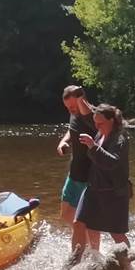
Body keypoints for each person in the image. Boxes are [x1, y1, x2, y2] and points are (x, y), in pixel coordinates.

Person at [75, 104, 131, 247]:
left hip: (114, 192)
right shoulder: (100, 133)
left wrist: (93, 147)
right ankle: (95, 258)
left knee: (116, 233)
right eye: (95, 123)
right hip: (94, 188)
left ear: (111, 120)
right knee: (85, 223)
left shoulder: (120, 138)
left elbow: (112, 162)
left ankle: (128, 265)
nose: (97, 126)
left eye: (100, 123)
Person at [56, 85, 98, 250]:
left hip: (90, 176)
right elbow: (71, 128)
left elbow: (89, 118)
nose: (71, 110)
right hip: (74, 173)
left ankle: (94, 253)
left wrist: (80, 99)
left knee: (88, 221)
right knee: (66, 214)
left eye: (73, 106)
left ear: (82, 100)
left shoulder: (93, 116)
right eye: (68, 108)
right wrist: (64, 141)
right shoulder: (75, 114)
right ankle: (84, 241)